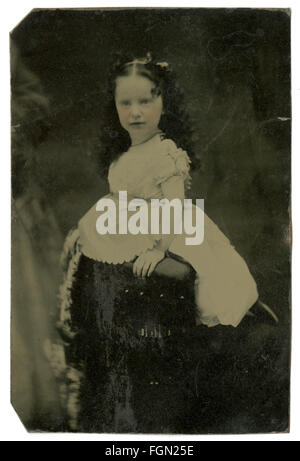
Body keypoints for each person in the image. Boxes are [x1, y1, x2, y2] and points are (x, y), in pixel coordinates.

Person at [52, 53, 280, 433]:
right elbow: (119, 199)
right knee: (89, 242)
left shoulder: (166, 153)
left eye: (147, 101)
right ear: (115, 106)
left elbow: (173, 210)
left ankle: (246, 314)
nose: (136, 112)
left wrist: (159, 249)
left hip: (169, 227)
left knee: (214, 285)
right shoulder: (122, 153)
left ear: (164, 103)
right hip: (128, 221)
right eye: (126, 103)